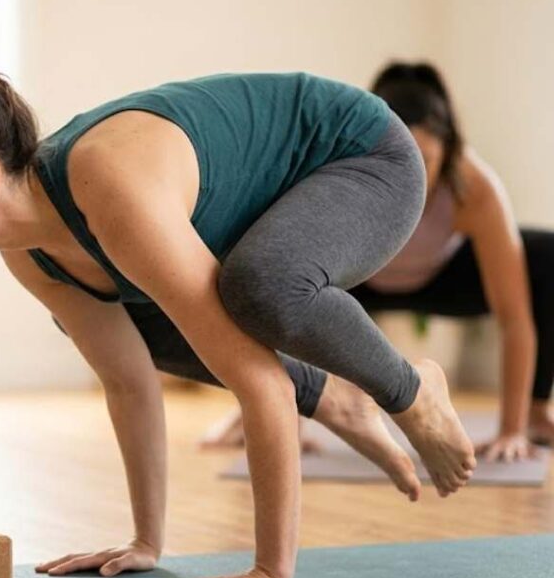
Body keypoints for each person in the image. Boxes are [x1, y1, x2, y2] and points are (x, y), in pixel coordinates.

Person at [0, 12, 475, 578]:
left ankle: (410, 390)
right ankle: (338, 398)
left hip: (364, 156)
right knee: (152, 329)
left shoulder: (106, 183)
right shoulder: (32, 256)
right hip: (270, 213)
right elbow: (128, 381)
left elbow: (258, 383)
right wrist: (145, 542)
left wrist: (269, 572)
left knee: (260, 288)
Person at [202, 61, 554, 463]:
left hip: (441, 280)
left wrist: (510, 432)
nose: (413, 173)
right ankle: (256, 406)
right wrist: (280, 419)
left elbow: (514, 317)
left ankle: (536, 413)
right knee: (263, 270)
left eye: (426, 159)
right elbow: (280, 279)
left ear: (449, 151)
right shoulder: (338, 173)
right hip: (359, 280)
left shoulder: (474, 187)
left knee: (544, 255)